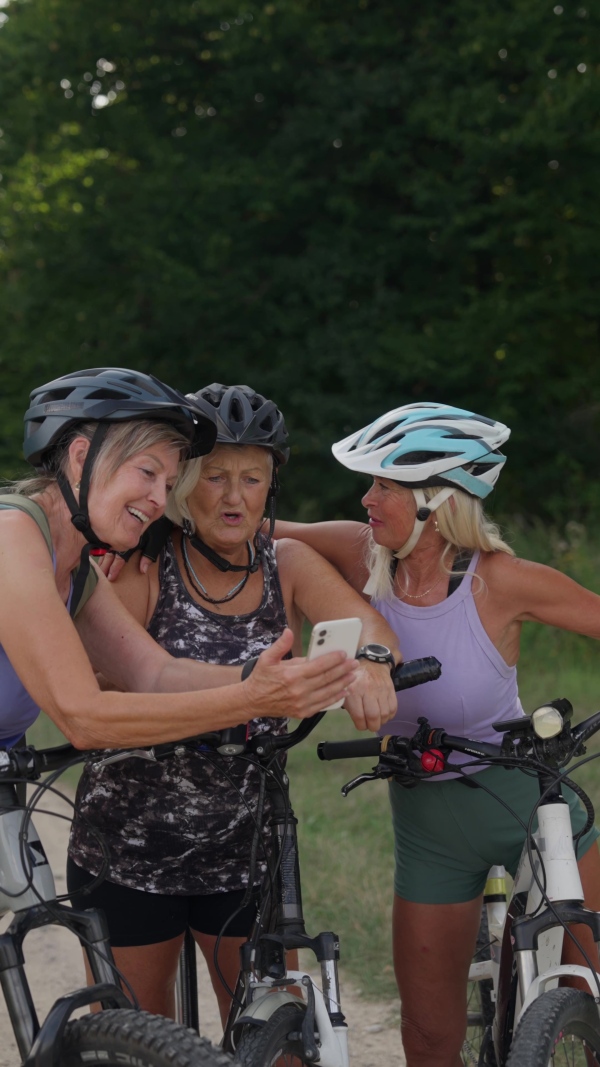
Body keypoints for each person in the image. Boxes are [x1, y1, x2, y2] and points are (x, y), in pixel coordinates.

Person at [264, 401, 600, 1067]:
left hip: (528, 797)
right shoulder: (363, 556)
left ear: (436, 500)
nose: (366, 498)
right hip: (429, 823)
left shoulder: (502, 581)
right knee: (428, 1037)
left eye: (383, 485)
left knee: (584, 993)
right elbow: (257, 531)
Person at [67, 383, 401, 1025]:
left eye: (252, 478)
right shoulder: (141, 566)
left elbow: (373, 632)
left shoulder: (288, 563)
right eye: (214, 476)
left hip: (247, 845)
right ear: (184, 483)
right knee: (141, 1041)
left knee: (278, 1035)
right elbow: (109, 687)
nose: (232, 495)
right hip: (131, 843)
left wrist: (373, 665)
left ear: (270, 489)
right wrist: (239, 692)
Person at [0, 367, 359, 759]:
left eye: (169, 486)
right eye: (147, 472)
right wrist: (249, 699)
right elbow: (83, 717)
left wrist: (263, 678)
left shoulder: (78, 570)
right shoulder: (12, 537)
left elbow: (155, 674)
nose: (159, 499)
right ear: (81, 459)